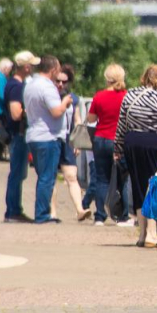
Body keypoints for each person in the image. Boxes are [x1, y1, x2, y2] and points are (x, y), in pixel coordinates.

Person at [114, 64, 157, 247]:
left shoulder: (131, 94)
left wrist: (117, 149)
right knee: (153, 186)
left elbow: (121, 124)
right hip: (152, 144)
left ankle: (142, 235)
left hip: (131, 143)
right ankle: (152, 235)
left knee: (138, 186)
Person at [24, 55, 73, 224]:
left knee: (43, 176)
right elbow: (56, 111)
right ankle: (42, 214)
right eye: (58, 70)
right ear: (53, 70)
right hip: (48, 136)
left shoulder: (30, 84)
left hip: (34, 134)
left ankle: (42, 212)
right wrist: (66, 101)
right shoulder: (47, 87)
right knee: (47, 177)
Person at [86, 64, 128, 226]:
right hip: (118, 141)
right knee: (122, 179)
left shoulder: (99, 96)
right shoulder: (126, 96)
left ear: (107, 78)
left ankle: (99, 216)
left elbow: (90, 119)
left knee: (101, 178)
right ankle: (123, 216)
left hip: (100, 139)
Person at [50, 65, 92, 221]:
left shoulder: (73, 99)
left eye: (64, 82)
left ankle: (80, 209)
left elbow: (76, 120)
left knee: (71, 176)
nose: (61, 85)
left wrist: (77, 142)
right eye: (57, 81)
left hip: (67, 140)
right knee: (52, 177)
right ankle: (52, 212)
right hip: (52, 138)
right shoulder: (50, 97)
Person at [3, 51, 40, 223]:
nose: (33, 68)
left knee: (18, 173)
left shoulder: (15, 84)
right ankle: (13, 211)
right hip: (18, 134)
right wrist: (33, 110)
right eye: (32, 65)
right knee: (17, 173)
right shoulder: (16, 87)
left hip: (18, 134)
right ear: (26, 67)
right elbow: (16, 113)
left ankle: (14, 210)